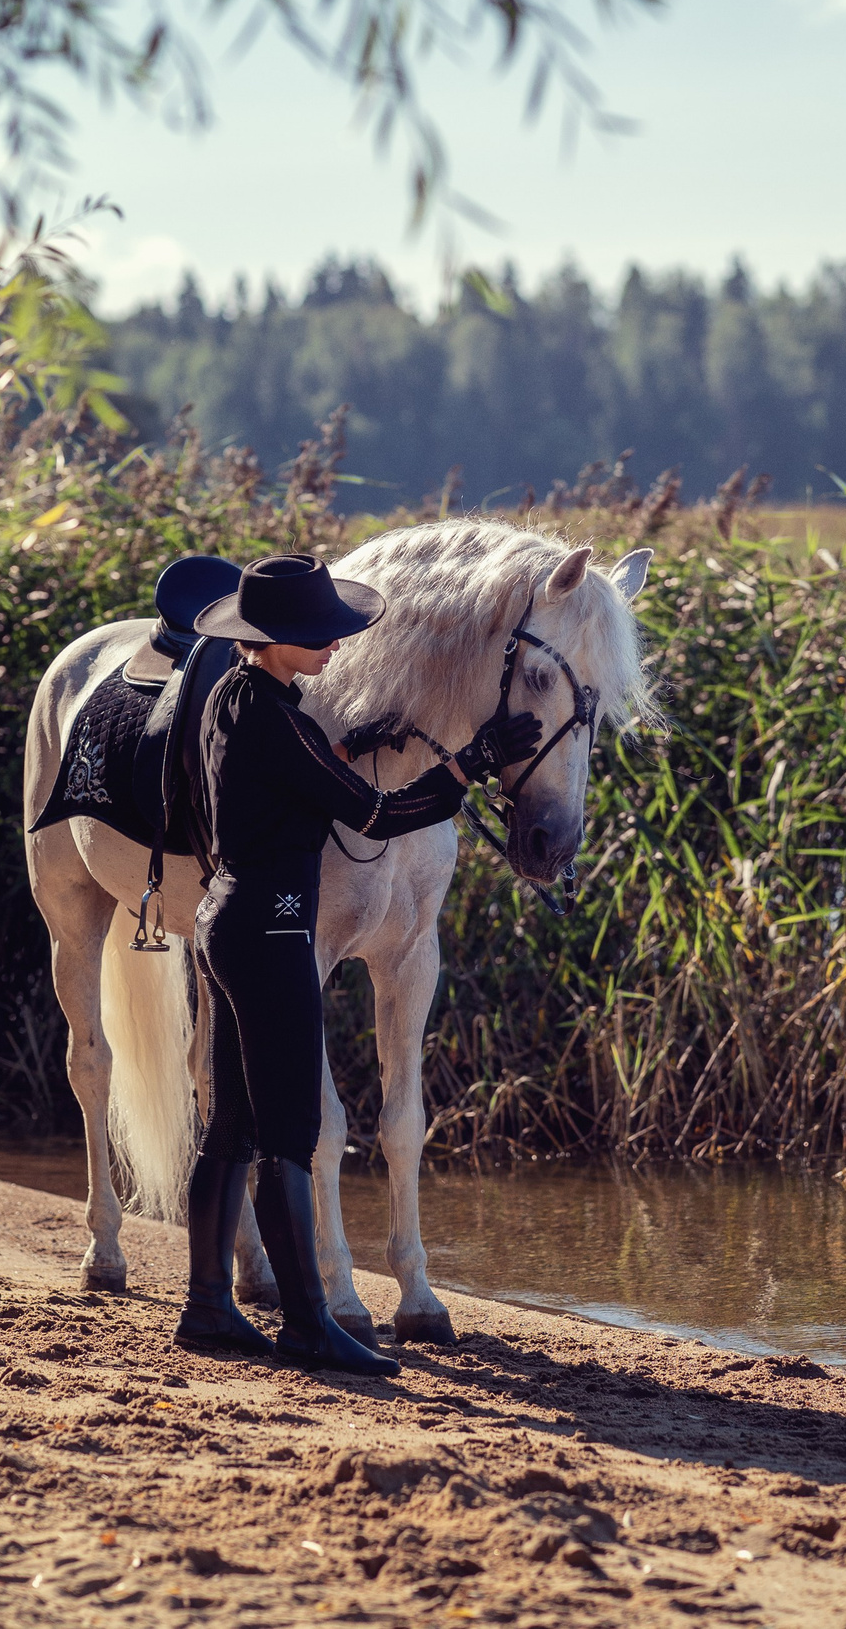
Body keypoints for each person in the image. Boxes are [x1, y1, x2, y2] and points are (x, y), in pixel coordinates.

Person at [174, 552, 541, 1375]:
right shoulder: (278, 719)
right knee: (287, 1133)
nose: (336, 646)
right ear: (271, 640)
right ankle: (308, 1322)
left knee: (230, 1125)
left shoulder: (235, 701)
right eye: (318, 635)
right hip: (272, 930)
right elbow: (376, 812)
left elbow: (320, 780)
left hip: (223, 921)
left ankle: (206, 1306)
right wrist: (470, 764)